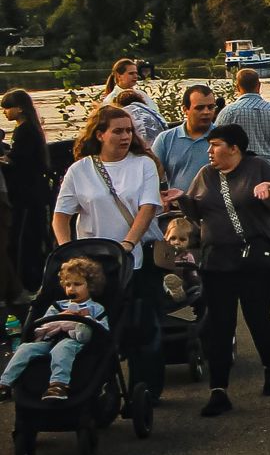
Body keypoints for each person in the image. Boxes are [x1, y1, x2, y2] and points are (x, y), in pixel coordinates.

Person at [176, 121, 270, 413]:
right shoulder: (205, 175)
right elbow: (196, 211)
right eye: (209, 146)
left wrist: (269, 193)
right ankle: (218, 390)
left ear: (234, 148)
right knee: (220, 323)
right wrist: (178, 201)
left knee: (257, 316)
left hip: (256, 257)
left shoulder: (257, 167)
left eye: (216, 145)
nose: (209, 151)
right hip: (217, 260)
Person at [54, 104, 160, 261]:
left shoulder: (144, 164)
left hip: (132, 255)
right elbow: (61, 215)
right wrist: (67, 251)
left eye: (129, 130)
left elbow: (148, 207)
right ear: (99, 135)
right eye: (118, 131)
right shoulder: (79, 170)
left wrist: (128, 243)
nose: (125, 136)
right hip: (92, 257)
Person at [5, 255, 109, 400]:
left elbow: (104, 331)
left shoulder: (96, 308)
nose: (71, 288)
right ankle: (5, 383)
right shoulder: (57, 305)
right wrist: (60, 319)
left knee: (63, 348)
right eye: (68, 285)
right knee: (24, 348)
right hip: (49, 340)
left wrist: (85, 320)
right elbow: (45, 323)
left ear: (90, 285)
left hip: (76, 341)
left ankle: (58, 385)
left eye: (77, 284)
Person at [2, 89, 51, 301]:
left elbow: (19, 161)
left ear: (19, 108)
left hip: (27, 194)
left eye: (7, 107)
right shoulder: (29, 128)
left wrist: (5, 159)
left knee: (25, 238)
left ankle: (29, 280)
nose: (4, 112)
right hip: (34, 190)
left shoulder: (24, 131)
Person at [212, 68, 270, 177]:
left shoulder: (228, 112)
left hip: (239, 170)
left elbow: (216, 141)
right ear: (259, 85)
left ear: (237, 87)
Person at [151, 85, 219, 205]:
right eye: (200, 108)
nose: (207, 112)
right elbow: (152, 177)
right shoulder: (165, 139)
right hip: (179, 211)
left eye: (211, 107)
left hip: (216, 211)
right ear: (185, 109)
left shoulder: (224, 138)